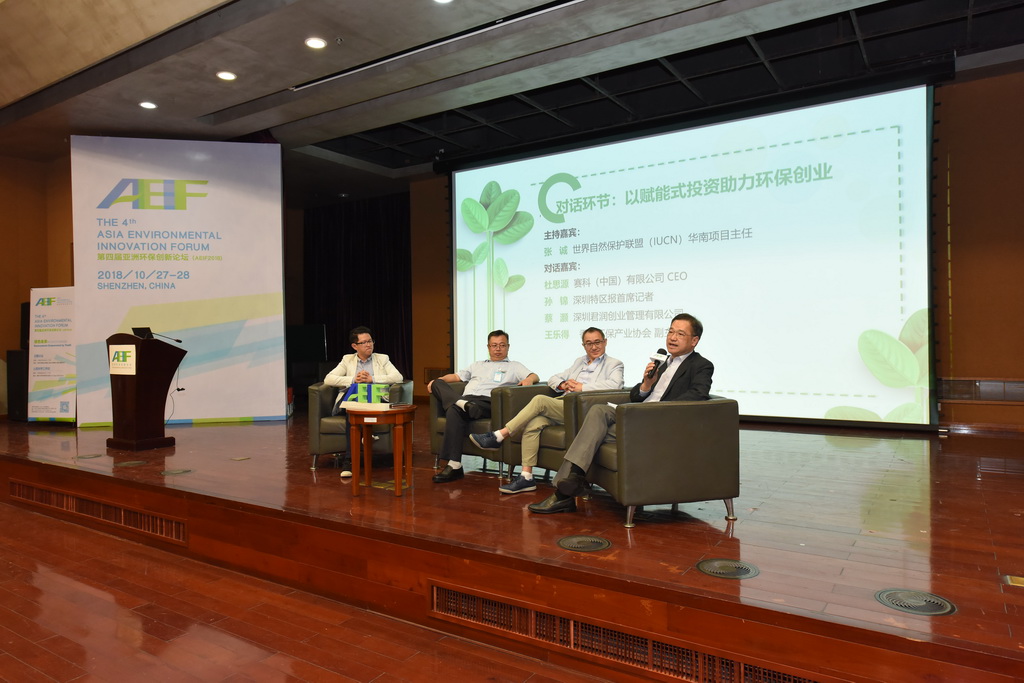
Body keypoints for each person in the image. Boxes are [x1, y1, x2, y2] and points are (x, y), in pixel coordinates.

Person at [528, 313, 713, 514]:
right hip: (637, 414)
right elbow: (636, 395)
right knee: (598, 411)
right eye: (670, 331)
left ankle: (564, 493)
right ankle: (573, 479)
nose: (672, 337)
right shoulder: (662, 362)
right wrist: (646, 384)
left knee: (591, 433)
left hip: (656, 421)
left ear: (694, 340)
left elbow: (698, 394)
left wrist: (657, 409)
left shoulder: (701, 365)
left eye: (680, 334)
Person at [469, 327, 624, 494]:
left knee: (540, 400)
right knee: (533, 424)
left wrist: (582, 387)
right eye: (589, 343)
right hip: (563, 406)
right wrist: (563, 384)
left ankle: (499, 435)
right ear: (583, 345)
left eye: (597, 342)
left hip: (585, 410)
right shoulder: (580, 362)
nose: (593, 347)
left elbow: (615, 385)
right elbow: (553, 378)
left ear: (605, 342)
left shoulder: (614, 364)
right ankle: (526, 477)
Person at [429, 330, 538, 483]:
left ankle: (454, 465)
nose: (498, 349)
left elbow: (534, 375)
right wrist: (438, 381)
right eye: (494, 345)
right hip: (468, 400)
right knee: (438, 384)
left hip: (488, 403)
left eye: (502, 345)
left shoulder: (514, 366)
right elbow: (456, 376)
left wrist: (530, 380)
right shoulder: (477, 365)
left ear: (508, 347)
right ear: (488, 347)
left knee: (454, 408)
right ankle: (462, 404)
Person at [323, 326, 404, 477]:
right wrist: (354, 379)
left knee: (355, 409)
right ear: (355, 346)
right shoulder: (347, 360)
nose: (369, 345)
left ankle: (349, 460)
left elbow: (398, 377)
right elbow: (328, 379)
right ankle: (367, 432)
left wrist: (372, 379)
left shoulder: (382, 358)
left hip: (375, 401)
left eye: (370, 341)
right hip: (350, 401)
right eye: (364, 342)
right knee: (355, 398)